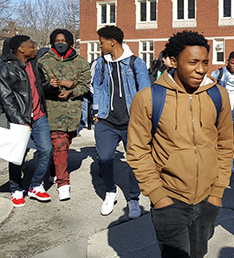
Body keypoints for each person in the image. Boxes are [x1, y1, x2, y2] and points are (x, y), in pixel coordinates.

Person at [127, 31, 234, 258]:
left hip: (208, 199)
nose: (201, 69)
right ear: (173, 62)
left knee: (197, 254)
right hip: (169, 200)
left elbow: (225, 144)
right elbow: (137, 151)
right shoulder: (147, 98)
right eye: (193, 62)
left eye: (205, 62)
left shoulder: (219, 95)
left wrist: (218, 191)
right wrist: (158, 195)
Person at [92, 25, 150, 218]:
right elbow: (98, 87)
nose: (100, 46)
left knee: (134, 161)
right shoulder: (101, 63)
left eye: (101, 43)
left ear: (112, 42)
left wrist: (145, 119)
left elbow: (145, 92)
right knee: (105, 158)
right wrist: (96, 111)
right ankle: (110, 191)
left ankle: (134, 198)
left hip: (131, 122)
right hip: (106, 121)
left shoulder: (136, 63)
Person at [0, 35, 53, 207]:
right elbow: (6, 98)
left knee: (46, 150)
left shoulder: (34, 65)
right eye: (32, 46)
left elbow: (36, 90)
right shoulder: (6, 69)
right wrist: (20, 121)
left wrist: (50, 86)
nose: (35, 48)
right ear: (21, 49)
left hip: (39, 116)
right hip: (19, 119)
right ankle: (16, 188)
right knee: (18, 156)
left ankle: (35, 185)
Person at [39, 29, 91, 201]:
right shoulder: (43, 61)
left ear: (69, 42)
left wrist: (72, 91)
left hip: (74, 113)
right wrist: (52, 87)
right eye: (56, 40)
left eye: (63, 40)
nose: (60, 43)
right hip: (53, 112)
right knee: (59, 146)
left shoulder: (81, 62)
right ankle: (63, 183)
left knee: (63, 146)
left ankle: (54, 170)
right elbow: (39, 87)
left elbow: (85, 85)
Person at [214, 51, 234, 174]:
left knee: (231, 139)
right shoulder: (218, 73)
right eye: (232, 63)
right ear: (228, 61)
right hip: (220, 110)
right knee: (217, 137)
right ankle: (215, 164)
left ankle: (229, 163)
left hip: (233, 111)